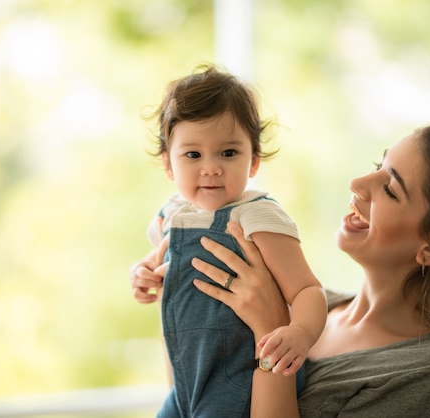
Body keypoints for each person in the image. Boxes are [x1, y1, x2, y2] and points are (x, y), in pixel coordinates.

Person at [186, 124, 430, 417]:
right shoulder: (301, 305)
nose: (358, 183)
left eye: (390, 189)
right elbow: (190, 397)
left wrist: (271, 336)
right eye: (377, 165)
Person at [129, 64, 327, 417]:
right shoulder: (171, 215)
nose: (211, 168)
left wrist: (300, 333)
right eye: (193, 155)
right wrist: (144, 272)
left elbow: (308, 290)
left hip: (241, 381)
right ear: (168, 165)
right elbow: (160, 258)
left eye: (228, 153)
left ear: (254, 161)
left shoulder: (257, 216)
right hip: (187, 380)